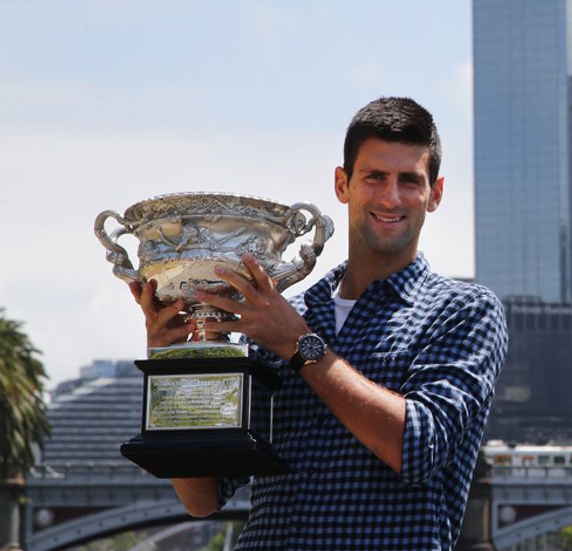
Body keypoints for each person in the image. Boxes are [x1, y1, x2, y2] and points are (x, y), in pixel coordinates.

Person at [130, 97, 508, 549]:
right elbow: (203, 497)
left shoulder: (463, 312)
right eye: (374, 177)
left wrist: (299, 345)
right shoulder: (278, 317)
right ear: (342, 183)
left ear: (435, 194)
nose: (391, 197)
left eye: (410, 180)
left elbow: (417, 448)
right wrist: (176, 364)